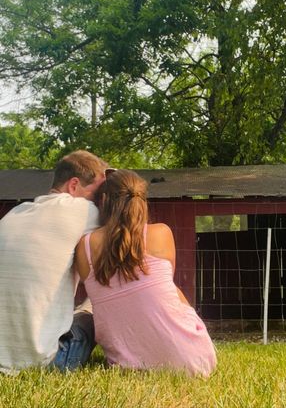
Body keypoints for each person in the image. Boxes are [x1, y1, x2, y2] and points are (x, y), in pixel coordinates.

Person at [74, 169, 217, 376]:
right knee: (169, 289)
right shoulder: (161, 233)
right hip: (197, 359)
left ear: (103, 200)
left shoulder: (85, 247)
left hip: (129, 368)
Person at [0, 150, 108, 373]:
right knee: (94, 307)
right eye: (96, 193)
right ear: (74, 185)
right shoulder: (84, 209)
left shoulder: (15, 213)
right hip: (46, 363)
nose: (98, 200)